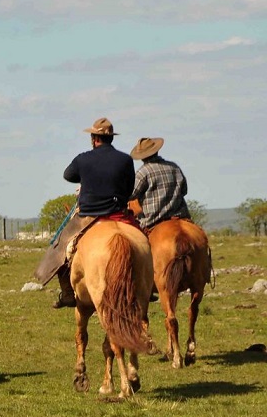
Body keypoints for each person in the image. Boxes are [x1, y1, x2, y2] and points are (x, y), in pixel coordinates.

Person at [52, 117, 137, 308]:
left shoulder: (83, 159)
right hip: (118, 214)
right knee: (144, 241)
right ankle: (146, 287)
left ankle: (67, 293)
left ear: (93, 138)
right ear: (111, 138)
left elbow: (68, 175)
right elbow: (130, 188)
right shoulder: (126, 159)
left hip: (88, 216)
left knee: (61, 248)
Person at [129, 137, 191, 231]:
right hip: (181, 217)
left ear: (142, 156)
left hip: (152, 221)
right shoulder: (174, 167)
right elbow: (184, 190)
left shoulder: (142, 173)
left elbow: (131, 195)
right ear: (156, 151)